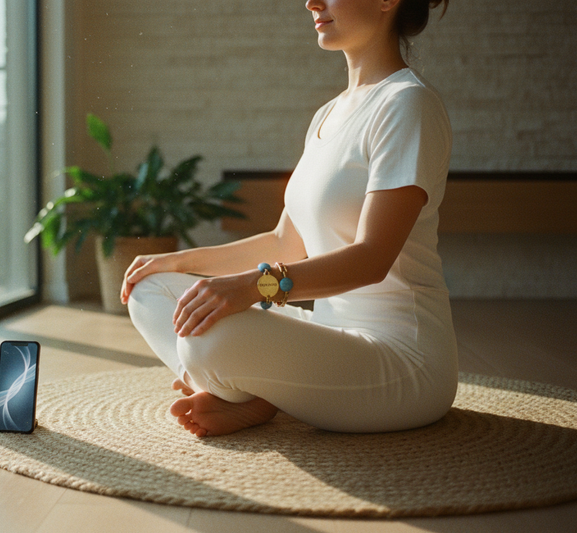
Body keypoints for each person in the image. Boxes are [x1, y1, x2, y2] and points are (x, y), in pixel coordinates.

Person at [121, 0, 456, 438]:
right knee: (150, 291)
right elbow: (283, 242)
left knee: (207, 338)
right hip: (327, 333)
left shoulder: (407, 105)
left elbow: (372, 259)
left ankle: (245, 392)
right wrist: (179, 262)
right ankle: (251, 393)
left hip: (401, 361)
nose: (311, 2)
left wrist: (250, 287)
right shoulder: (328, 115)